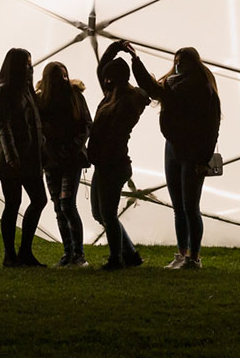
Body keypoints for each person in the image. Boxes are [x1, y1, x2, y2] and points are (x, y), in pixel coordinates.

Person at [126, 44, 220, 270]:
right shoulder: (173, 84)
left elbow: (211, 127)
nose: (177, 66)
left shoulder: (201, 88)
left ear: (192, 63)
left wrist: (203, 159)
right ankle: (183, 253)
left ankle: (193, 257)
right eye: (176, 61)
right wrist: (136, 61)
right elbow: (151, 87)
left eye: (181, 62)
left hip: (192, 152)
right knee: (180, 206)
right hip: (174, 148)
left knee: (189, 206)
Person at [87, 41, 150, 271]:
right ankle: (130, 253)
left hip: (113, 164)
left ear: (114, 79)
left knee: (108, 214)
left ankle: (117, 258)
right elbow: (102, 67)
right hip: (106, 164)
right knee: (100, 213)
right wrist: (117, 48)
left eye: (107, 78)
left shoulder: (127, 102)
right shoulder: (114, 95)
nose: (103, 80)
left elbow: (112, 136)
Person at [0, 47, 47, 267]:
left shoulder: (25, 90)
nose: (30, 68)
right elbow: (3, 125)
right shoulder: (4, 91)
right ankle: (11, 254)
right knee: (13, 202)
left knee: (36, 200)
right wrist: (11, 156)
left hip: (29, 156)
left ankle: (23, 251)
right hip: (12, 157)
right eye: (26, 64)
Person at [36, 61, 92, 268]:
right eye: (59, 76)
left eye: (65, 75)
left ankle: (78, 254)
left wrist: (72, 147)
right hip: (52, 160)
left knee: (67, 204)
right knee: (60, 207)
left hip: (70, 159)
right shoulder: (41, 100)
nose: (64, 80)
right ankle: (69, 253)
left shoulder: (74, 97)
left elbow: (86, 125)